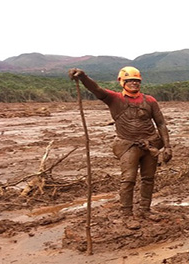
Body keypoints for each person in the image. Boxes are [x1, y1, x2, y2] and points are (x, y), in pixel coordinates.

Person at [68, 66, 172, 229]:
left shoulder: (150, 101)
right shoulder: (114, 99)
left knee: (148, 179)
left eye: (136, 81)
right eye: (129, 81)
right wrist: (83, 77)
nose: (133, 84)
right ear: (121, 82)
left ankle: (145, 210)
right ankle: (126, 215)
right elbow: (96, 89)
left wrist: (167, 146)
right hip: (127, 145)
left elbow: (160, 123)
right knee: (128, 179)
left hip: (150, 144)